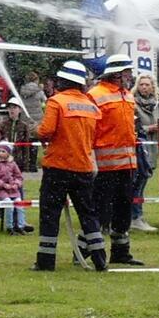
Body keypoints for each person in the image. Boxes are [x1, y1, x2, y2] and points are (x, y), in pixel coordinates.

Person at [33, 59, 107, 272]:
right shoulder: (91, 106)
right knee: (88, 214)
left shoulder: (56, 102)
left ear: (63, 80)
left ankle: (46, 261)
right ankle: (100, 259)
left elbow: (45, 131)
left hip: (58, 167)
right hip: (83, 168)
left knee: (50, 214)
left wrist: (34, 130)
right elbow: (94, 137)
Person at [89, 54, 143, 266]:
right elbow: (91, 129)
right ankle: (85, 250)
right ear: (118, 74)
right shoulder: (96, 95)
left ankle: (121, 252)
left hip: (127, 164)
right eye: (128, 72)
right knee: (100, 209)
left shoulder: (127, 95)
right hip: (104, 165)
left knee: (123, 210)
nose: (131, 76)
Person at [130, 73, 159, 231]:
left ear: (152, 87)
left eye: (147, 84)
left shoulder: (156, 104)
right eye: (141, 84)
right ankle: (135, 217)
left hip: (151, 149)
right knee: (137, 185)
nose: (144, 87)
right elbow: (132, 127)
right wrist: (149, 129)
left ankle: (135, 216)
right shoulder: (133, 104)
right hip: (139, 150)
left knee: (141, 184)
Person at [0, 142, 28, 234]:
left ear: (8, 153)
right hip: (0, 190)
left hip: (13, 189)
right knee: (9, 204)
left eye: (3, 151)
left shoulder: (12, 163)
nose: (0, 153)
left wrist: (16, 184)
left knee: (19, 205)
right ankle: (10, 226)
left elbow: (19, 177)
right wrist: (3, 184)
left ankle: (20, 226)